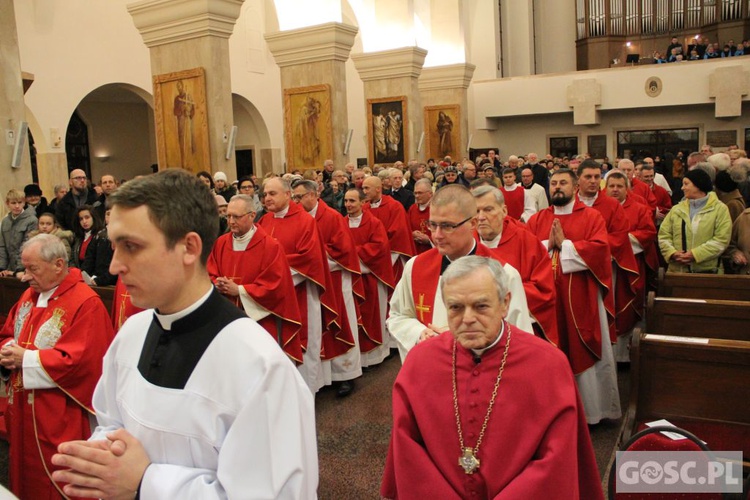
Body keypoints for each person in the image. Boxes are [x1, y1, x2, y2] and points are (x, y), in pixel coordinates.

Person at [50, 169, 318, 499]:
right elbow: (109, 423)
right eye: (116, 246)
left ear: (189, 248)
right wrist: (102, 462)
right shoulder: (131, 333)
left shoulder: (260, 367)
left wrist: (146, 483)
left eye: (131, 246)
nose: (116, 266)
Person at [381, 256, 603, 500]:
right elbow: (407, 448)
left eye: (481, 306)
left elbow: (557, 457)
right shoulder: (419, 363)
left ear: (505, 303)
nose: (467, 319)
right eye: (455, 307)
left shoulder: (548, 365)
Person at [0, 233, 114, 499]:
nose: (25, 276)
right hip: (22, 409)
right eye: (25, 268)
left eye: (32, 269)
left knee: (56, 480)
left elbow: (83, 362)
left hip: (59, 413)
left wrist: (24, 359)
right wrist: (6, 353)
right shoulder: (29, 296)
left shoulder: (86, 303)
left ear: (59, 265)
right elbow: (8, 334)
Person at [387, 184, 532, 361]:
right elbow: (397, 315)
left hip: (484, 375)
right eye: (433, 225)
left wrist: (466, 337)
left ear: (473, 223)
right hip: (433, 369)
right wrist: (420, 334)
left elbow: (520, 338)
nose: (437, 235)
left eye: (447, 226)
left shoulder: (504, 274)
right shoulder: (415, 266)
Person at [526, 169, 621, 424]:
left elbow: (601, 250)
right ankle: (551, 415)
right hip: (546, 298)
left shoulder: (591, 217)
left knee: (583, 347)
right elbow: (527, 253)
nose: (557, 187)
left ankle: (593, 413)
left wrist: (566, 245)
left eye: (563, 183)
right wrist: (548, 245)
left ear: (575, 186)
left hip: (582, 296)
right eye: (554, 183)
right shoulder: (537, 220)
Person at [258, 177, 341, 393]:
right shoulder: (264, 222)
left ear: (287, 195)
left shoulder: (305, 221)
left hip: (299, 292)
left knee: (305, 343)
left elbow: (310, 259)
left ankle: (305, 393)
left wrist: (276, 272)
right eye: (265, 194)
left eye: (272, 194)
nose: (267, 198)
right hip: (271, 297)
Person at [207, 194, 303, 363]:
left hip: (260, 321)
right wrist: (216, 284)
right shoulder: (220, 243)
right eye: (228, 216)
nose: (230, 221)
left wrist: (240, 290)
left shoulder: (270, 246)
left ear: (252, 215)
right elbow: (210, 272)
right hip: (226, 318)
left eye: (236, 216)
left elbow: (275, 286)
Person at [292, 180, 362, 396]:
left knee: (342, 323)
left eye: (299, 197)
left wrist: (318, 259)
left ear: (313, 195)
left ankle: (347, 375)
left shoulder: (331, 217)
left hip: (335, 278)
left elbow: (344, 252)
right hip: (313, 281)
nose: (295, 201)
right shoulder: (297, 219)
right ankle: (326, 376)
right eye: (293, 197)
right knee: (321, 329)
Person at [472, 186, 558, 343]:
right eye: (476, 211)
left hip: (518, 329)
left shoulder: (527, 241)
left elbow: (544, 290)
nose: (481, 217)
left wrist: (493, 294)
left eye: (488, 209)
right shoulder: (466, 244)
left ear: (504, 211)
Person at [605, 171, 659, 361]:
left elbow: (648, 232)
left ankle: (623, 356)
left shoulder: (639, 208)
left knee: (626, 306)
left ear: (627, 188)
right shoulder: (598, 209)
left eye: (619, 186)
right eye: (611, 186)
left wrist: (621, 242)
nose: (615, 190)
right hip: (603, 266)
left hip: (629, 266)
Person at [344, 188, 397, 367]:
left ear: (362, 202)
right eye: (346, 201)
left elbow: (379, 247)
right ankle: (358, 357)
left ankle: (376, 356)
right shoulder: (341, 223)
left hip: (371, 275)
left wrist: (351, 253)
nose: (348, 205)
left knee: (373, 315)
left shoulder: (374, 223)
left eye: (352, 201)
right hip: (350, 277)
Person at [658, 168, 732, 273]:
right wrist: (672, 253)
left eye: (686, 184)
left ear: (698, 185)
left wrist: (696, 254)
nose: (682, 188)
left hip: (708, 274)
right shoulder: (676, 209)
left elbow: (722, 240)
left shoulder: (720, 209)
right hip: (677, 272)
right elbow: (663, 235)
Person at [362, 176, 416, 283]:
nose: (364, 192)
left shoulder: (394, 207)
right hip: (367, 259)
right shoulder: (364, 208)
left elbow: (399, 235)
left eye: (367, 188)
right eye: (363, 188)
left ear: (378, 189)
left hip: (390, 259)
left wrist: (380, 255)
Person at [1, 189, 38, 278]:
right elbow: (2, 246)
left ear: (24, 203)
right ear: (7, 203)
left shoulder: (31, 220)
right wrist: (2, 267)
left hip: (25, 267)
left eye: (20, 202)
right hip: (9, 268)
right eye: (13, 203)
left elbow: (26, 245)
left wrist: (19, 269)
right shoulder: (5, 221)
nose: (17, 206)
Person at [408, 178, 433, 254]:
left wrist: (429, 240)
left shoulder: (438, 209)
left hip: (433, 251)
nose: (417, 196)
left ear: (430, 194)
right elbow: (406, 227)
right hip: (415, 250)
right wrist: (412, 234)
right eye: (415, 193)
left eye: (420, 193)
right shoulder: (412, 208)